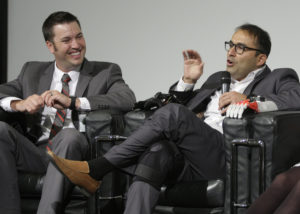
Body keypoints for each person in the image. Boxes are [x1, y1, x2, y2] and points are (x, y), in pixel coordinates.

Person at [47, 23, 300, 214]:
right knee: (157, 152)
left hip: (226, 155)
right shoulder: (215, 79)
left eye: (241, 47)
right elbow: (176, 113)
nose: (231, 52)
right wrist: (187, 82)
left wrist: (249, 102)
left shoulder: (278, 77)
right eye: (230, 45)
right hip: (191, 154)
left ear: (260, 58)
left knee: (174, 115)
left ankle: (99, 167)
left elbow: (294, 100)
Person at [0, 11, 135, 214]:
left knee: (69, 136)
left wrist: (74, 102)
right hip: (36, 152)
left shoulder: (105, 72)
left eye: (79, 36)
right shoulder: (31, 71)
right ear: (50, 46)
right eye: (67, 40)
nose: (76, 45)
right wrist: (19, 104)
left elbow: (126, 99)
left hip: (76, 154)